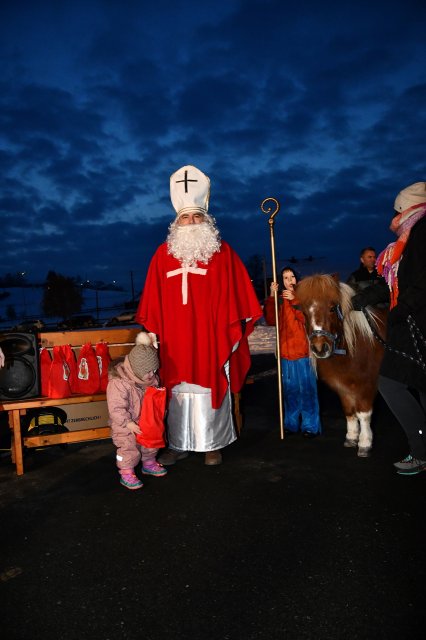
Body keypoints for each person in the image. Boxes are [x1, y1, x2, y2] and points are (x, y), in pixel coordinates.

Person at [136, 164, 262, 466]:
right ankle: (178, 443)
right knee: (177, 388)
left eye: (197, 216)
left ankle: (212, 444)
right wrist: (152, 333)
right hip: (175, 338)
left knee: (208, 382)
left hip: (210, 335)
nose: (191, 222)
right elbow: (152, 299)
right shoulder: (161, 255)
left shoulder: (222, 253)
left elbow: (238, 297)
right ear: (175, 223)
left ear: (207, 220)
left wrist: (230, 330)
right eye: (185, 217)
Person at [352, 182, 426, 475]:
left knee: (390, 382)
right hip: (412, 323)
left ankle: (421, 451)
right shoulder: (407, 242)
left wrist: (398, 312)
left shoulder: (419, 235)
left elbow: (420, 283)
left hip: (415, 325)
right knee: (421, 385)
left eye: (396, 210)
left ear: (405, 208)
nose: (393, 217)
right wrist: (358, 300)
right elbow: (388, 284)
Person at [263, 266, 321, 438]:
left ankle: (310, 425)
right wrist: (273, 297)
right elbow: (271, 320)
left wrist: (296, 300)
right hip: (286, 352)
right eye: (286, 278)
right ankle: (291, 423)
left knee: (307, 390)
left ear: (297, 278)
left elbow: (307, 320)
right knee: (290, 391)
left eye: (292, 277)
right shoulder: (279, 300)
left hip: (303, 352)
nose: (290, 280)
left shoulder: (306, 297)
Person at [107, 331, 167, 490]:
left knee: (150, 442)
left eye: (154, 370)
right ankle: (126, 471)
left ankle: (148, 463)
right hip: (125, 424)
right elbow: (116, 407)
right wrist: (128, 423)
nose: (152, 374)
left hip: (145, 419)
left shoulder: (151, 379)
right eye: (148, 371)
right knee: (128, 446)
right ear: (137, 369)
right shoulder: (119, 383)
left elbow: (154, 400)